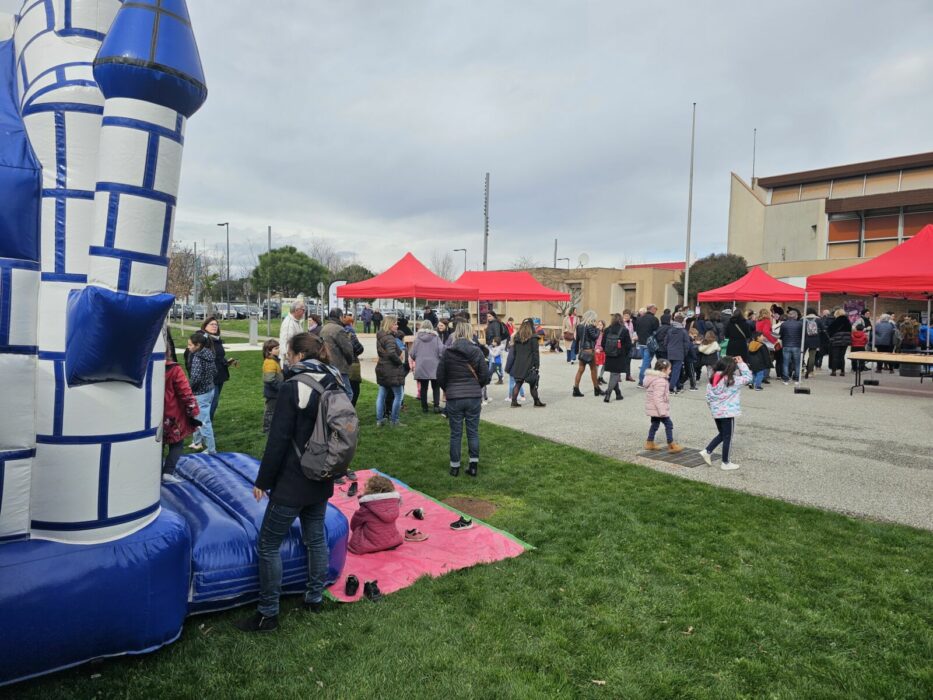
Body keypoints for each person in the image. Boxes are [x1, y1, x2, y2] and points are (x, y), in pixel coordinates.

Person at [237, 333, 344, 632]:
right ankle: (313, 598)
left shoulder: (292, 386)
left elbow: (279, 439)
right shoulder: (334, 380)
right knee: (316, 538)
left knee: (268, 544)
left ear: (297, 355)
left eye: (288, 351)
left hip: (293, 479)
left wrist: (263, 479)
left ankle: (268, 612)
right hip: (322, 474)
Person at [437, 321, 490, 477]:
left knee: (456, 433)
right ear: (469, 333)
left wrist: (448, 389)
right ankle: (473, 465)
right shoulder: (476, 351)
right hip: (473, 396)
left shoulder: (448, 352)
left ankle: (455, 466)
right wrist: (476, 386)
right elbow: (485, 375)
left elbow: (440, 376)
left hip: (454, 396)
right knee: (473, 432)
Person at [699, 356, 752, 471]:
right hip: (728, 413)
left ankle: (707, 451)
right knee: (728, 436)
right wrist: (742, 363)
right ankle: (725, 462)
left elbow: (708, 397)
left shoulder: (713, 378)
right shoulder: (732, 380)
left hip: (716, 412)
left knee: (723, 434)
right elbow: (748, 378)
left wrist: (713, 409)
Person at [162, 339, 199, 483]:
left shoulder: (145, 368)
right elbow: (185, 392)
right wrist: (193, 410)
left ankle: (154, 471)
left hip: (152, 415)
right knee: (176, 443)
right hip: (172, 414)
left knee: (156, 444)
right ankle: (168, 471)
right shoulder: (174, 369)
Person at [348, 475, 403, 555]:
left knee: (360, 526)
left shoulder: (367, 508)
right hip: (392, 541)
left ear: (369, 490)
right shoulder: (394, 505)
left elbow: (354, 524)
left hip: (368, 544)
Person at [200, 316, 238, 420]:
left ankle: (207, 425)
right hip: (210, 377)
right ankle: (205, 426)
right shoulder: (203, 339)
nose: (214, 326)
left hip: (220, 376)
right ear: (205, 326)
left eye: (216, 325)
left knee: (214, 403)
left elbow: (218, 357)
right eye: (212, 324)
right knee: (212, 403)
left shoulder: (216, 340)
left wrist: (227, 362)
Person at [186, 332, 217, 454]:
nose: (188, 347)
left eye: (190, 345)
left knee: (204, 422)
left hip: (200, 394)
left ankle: (211, 449)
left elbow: (196, 378)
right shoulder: (209, 354)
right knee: (196, 417)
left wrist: (189, 389)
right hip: (210, 390)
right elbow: (215, 371)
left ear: (198, 345)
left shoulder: (197, 358)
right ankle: (197, 442)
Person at [643, 358, 682, 452]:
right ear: (664, 370)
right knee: (669, 424)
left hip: (655, 408)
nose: (670, 370)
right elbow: (658, 398)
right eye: (669, 369)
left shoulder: (654, 378)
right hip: (659, 409)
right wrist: (662, 411)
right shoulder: (660, 381)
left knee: (655, 424)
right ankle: (671, 444)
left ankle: (649, 442)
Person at [506, 318, 546, 408]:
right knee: (533, 384)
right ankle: (536, 401)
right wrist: (537, 365)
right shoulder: (533, 338)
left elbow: (514, 352)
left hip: (519, 363)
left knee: (518, 383)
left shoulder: (516, 338)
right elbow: (535, 353)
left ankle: (513, 401)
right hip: (529, 363)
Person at [319, 308, 356, 400]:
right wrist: (350, 361)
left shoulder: (324, 327)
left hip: (328, 364)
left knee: (333, 392)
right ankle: (343, 413)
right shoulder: (339, 329)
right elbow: (347, 349)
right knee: (348, 393)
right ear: (340, 317)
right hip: (339, 366)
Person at [375, 316, 406, 427]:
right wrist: (399, 362)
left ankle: (380, 420)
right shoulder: (389, 338)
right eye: (395, 324)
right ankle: (394, 420)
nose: (397, 326)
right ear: (389, 324)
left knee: (381, 395)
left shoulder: (381, 335)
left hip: (382, 368)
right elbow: (391, 353)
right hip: (391, 369)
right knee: (399, 395)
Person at [410, 320, 445, 413]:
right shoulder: (436, 338)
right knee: (436, 387)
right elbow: (442, 352)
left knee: (424, 388)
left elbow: (412, 354)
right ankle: (436, 406)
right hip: (435, 365)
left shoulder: (417, 339)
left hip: (421, 365)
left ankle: (424, 407)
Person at [601, 313, 632, 403]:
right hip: (619, 355)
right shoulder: (624, 330)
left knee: (614, 374)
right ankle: (608, 394)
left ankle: (618, 393)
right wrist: (624, 353)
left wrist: (608, 351)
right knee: (615, 374)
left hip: (609, 356)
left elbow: (603, 343)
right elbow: (628, 345)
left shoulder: (607, 330)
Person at [572, 310, 602, 397]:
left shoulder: (579, 326)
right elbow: (595, 337)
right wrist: (598, 330)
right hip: (589, 350)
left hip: (582, 350)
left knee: (580, 370)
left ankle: (575, 389)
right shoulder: (590, 326)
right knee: (593, 370)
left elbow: (577, 339)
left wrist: (577, 350)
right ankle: (596, 389)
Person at [664, 312, 691, 393]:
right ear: (682, 321)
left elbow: (665, 342)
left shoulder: (670, 330)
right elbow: (687, 344)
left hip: (670, 352)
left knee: (670, 370)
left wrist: (668, 349)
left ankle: (677, 385)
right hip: (679, 353)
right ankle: (671, 387)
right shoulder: (683, 331)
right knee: (676, 371)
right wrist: (685, 353)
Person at [343, 312, 365, 406]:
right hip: (351, 364)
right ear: (351, 323)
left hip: (340, 364)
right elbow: (359, 348)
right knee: (354, 389)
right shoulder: (350, 333)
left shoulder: (339, 331)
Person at [635, 304, 660, 386]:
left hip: (640, 343)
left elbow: (637, 331)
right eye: (656, 309)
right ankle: (641, 382)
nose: (656, 310)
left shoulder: (639, 319)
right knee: (645, 364)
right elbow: (657, 332)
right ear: (652, 309)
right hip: (649, 345)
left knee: (646, 362)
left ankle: (648, 380)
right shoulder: (654, 319)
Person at [261, 339, 283, 433]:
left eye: (278, 347)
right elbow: (270, 380)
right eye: (276, 348)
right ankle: (267, 429)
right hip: (272, 392)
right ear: (269, 350)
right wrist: (281, 387)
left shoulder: (274, 360)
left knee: (273, 411)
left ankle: (272, 428)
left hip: (274, 391)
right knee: (270, 412)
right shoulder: (270, 362)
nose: (278, 350)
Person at [279, 300, 305, 369]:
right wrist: (289, 362)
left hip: (295, 359)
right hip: (289, 363)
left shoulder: (296, 322)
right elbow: (285, 343)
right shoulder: (289, 323)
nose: (304, 312)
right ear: (296, 310)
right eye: (303, 310)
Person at [779, 308, 803, 384]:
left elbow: (780, 335)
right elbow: (803, 335)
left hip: (786, 345)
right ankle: (796, 379)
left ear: (789, 316)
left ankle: (786, 379)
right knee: (797, 363)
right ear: (796, 316)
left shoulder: (783, 324)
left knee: (785, 363)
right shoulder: (800, 324)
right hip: (797, 345)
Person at [827, 309, 852, 377]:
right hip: (845, 341)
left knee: (835, 356)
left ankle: (834, 371)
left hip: (836, 340)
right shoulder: (848, 321)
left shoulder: (836, 321)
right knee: (842, 356)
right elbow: (850, 331)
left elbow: (829, 330)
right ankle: (842, 371)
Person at [802, 308, 823, 379]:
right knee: (812, 356)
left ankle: (800, 368)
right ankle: (810, 371)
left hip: (804, 340)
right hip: (815, 340)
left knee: (801, 355)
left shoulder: (802, 320)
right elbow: (823, 329)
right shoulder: (818, 320)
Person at [622, 309, 637, 382]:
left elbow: (633, 331)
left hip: (630, 343)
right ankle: (618, 376)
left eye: (628, 315)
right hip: (623, 343)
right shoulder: (621, 323)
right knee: (621, 360)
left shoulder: (631, 322)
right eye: (625, 315)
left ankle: (628, 375)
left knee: (629, 359)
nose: (626, 317)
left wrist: (634, 338)